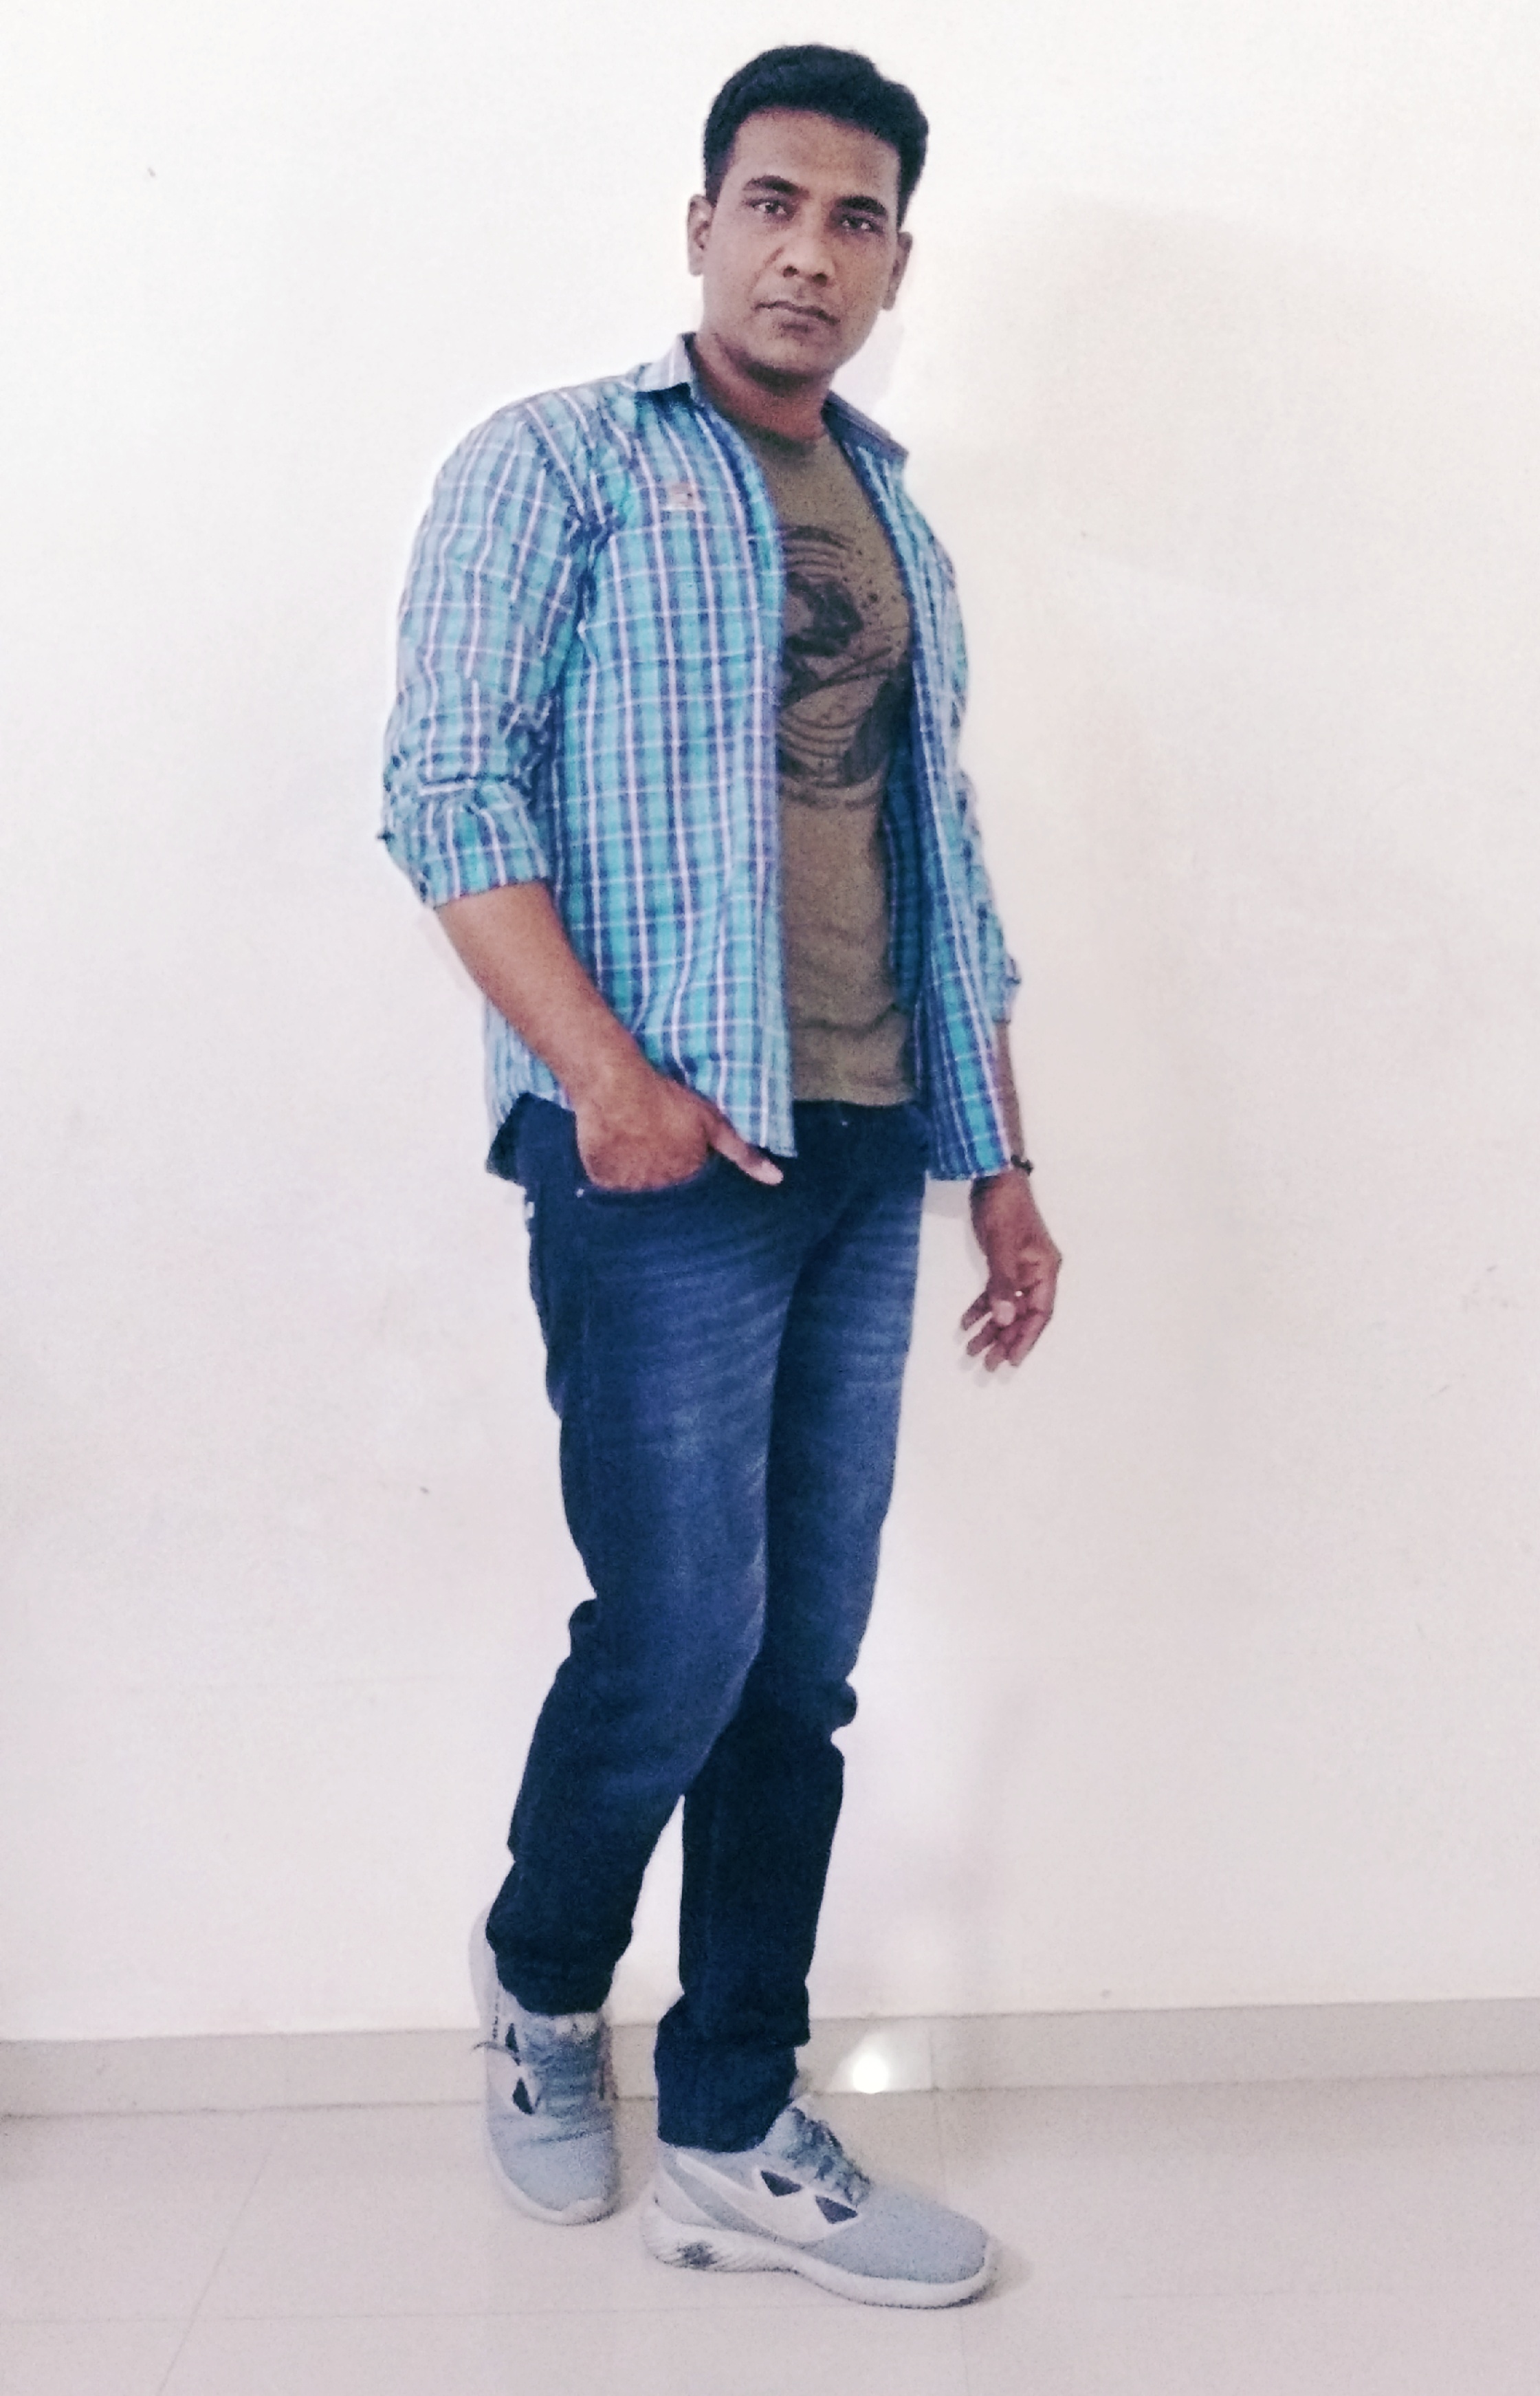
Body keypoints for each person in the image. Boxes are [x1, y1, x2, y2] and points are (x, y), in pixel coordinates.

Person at [382, 43, 1061, 2310]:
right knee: (679, 1634)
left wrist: (1002, 1161)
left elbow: (945, 864)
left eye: (856, 220)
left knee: (803, 1667)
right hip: (660, 1148)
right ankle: (539, 1979)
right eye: (773, 203)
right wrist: (611, 1081)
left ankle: (739, 2116)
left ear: (894, 263)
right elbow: (448, 790)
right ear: (702, 224)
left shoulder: (897, 520)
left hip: (868, 1142)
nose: (808, 252)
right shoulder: (559, 464)